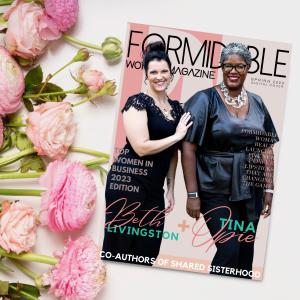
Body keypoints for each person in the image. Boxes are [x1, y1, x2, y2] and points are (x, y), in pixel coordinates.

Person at [182, 42, 279, 279]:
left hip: (250, 190)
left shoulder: (257, 102)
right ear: (222, 67)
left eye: (240, 66)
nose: (233, 71)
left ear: (248, 68)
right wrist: (192, 194)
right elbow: (187, 147)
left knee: (245, 254)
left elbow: (266, 148)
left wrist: (268, 188)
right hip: (214, 189)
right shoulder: (204, 100)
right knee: (229, 249)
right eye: (228, 65)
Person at [102, 41, 192, 266]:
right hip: (127, 183)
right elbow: (141, 147)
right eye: (153, 72)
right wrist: (177, 136)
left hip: (154, 190)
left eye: (164, 71)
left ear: (171, 74)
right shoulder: (137, 102)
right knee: (119, 250)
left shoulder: (176, 109)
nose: (159, 76)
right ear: (146, 75)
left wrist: (170, 189)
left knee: (147, 253)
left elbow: (173, 153)